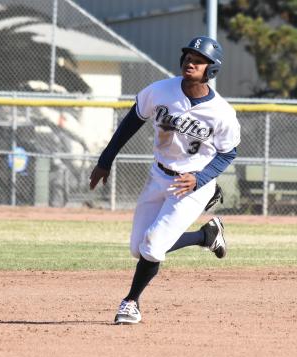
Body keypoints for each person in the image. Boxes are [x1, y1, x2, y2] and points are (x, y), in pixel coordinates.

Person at [89, 36, 241, 325]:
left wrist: (200, 179)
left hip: (192, 185)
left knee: (153, 247)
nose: (190, 62)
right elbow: (132, 120)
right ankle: (205, 236)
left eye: (198, 59)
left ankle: (130, 302)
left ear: (212, 69)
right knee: (139, 248)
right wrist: (106, 159)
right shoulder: (161, 91)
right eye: (188, 56)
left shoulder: (221, 113)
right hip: (159, 175)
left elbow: (227, 154)